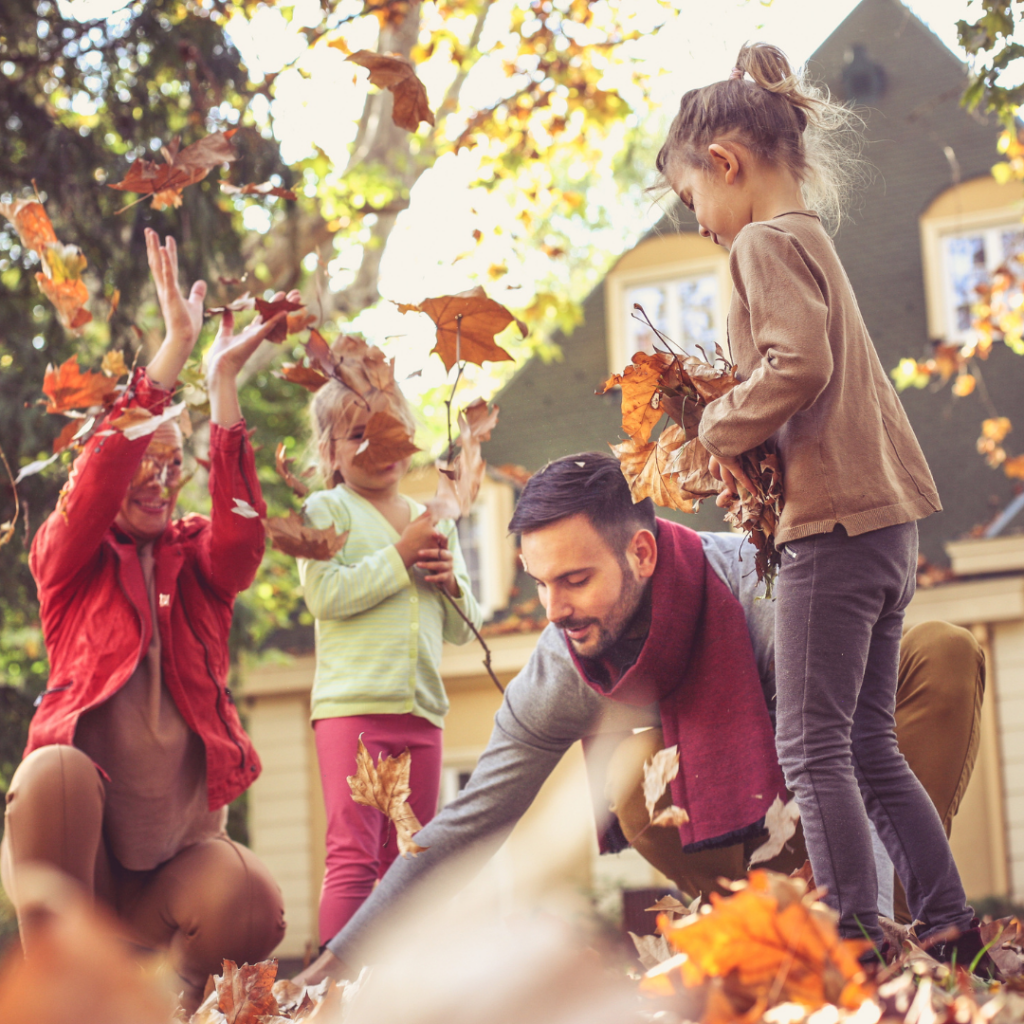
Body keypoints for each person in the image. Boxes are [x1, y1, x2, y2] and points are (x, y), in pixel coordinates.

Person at [293, 454, 986, 985]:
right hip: (740, 843)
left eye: (574, 580)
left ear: (642, 554)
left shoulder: (767, 592)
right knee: (630, 771)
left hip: (840, 815)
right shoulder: (561, 665)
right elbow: (471, 821)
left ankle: (895, 925)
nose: (555, 609)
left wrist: (869, 948)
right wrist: (347, 954)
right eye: (540, 583)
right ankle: (758, 929)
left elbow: (852, 768)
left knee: (942, 651)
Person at [658, 42, 976, 957]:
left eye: (693, 204)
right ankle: (952, 926)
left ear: (725, 165)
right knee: (870, 743)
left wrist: (717, 429)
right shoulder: (810, 239)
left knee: (811, 744)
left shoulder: (761, 242)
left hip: (832, 527)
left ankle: (855, 943)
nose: (704, 227)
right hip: (887, 525)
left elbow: (800, 366)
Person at [2, 229, 290, 1013]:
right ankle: (62, 1000)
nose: (161, 481)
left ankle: (165, 1008)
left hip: (169, 874)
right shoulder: (68, 560)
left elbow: (242, 535)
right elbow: (98, 481)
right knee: (52, 772)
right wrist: (172, 357)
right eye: (146, 463)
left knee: (254, 899)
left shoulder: (201, 566)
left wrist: (221, 382)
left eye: (175, 465)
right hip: (80, 867)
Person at [298, 369, 483, 947]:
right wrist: (400, 556)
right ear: (328, 450)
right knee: (354, 856)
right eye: (358, 435)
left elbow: (463, 630)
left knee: (408, 858)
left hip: (421, 715)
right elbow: (325, 595)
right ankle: (336, 990)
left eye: (392, 432)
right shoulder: (327, 511)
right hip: (353, 710)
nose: (378, 448)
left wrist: (451, 583)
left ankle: (400, 992)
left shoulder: (434, 520)